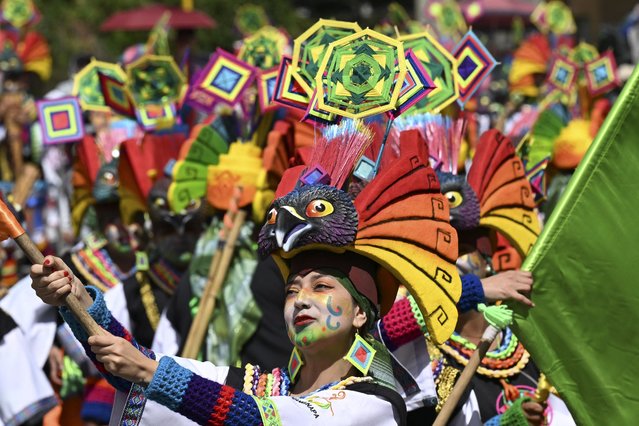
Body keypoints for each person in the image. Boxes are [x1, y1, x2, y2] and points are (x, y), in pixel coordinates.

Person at [30, 125, 464, 425]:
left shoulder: (374, 403)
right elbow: (132, 364)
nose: (302, 299)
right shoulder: (269, 384)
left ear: (360, 315)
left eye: (322, 286)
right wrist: (77, 301)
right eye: (293, 289)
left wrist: (149, 374)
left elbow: (255, 418)